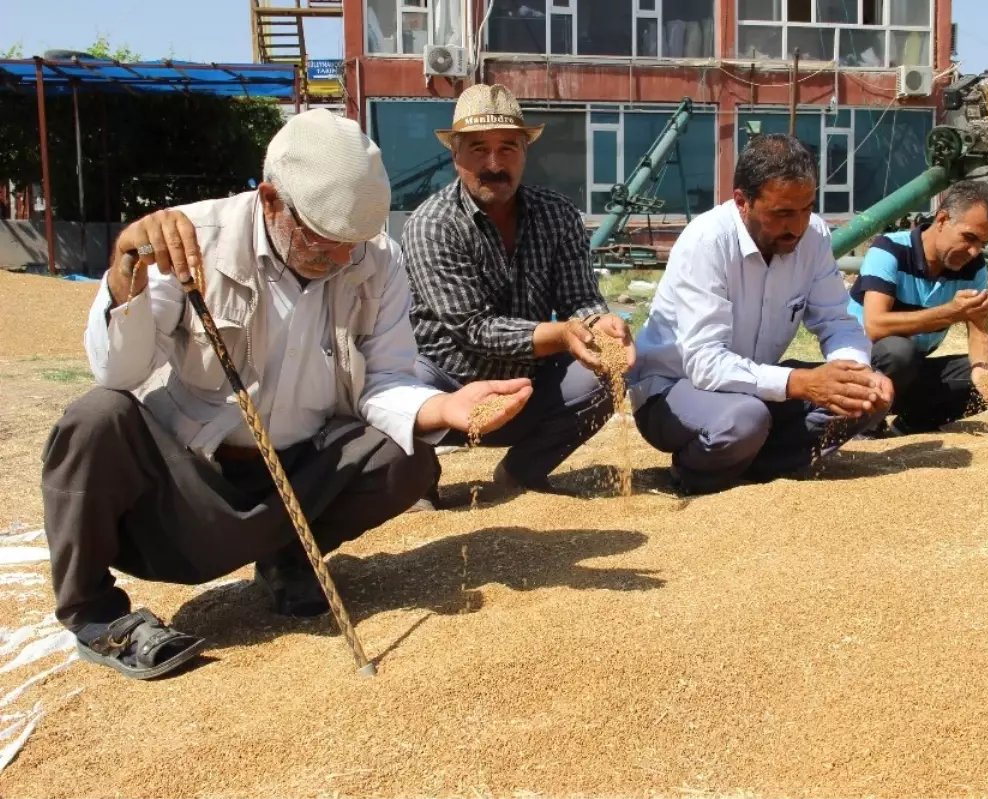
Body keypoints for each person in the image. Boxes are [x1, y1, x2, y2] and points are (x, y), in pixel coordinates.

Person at [40, 109, 532, 680]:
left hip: (300, 483)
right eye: (326, 242)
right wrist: (128, 266)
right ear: (271, 200)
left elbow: (384, 379)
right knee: (95, 417)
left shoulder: (376, 260)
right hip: (188, 493)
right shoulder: (188, 241)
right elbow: (115, 370)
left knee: (407, 456)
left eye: (357, 242)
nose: (345, 260)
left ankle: (289, 560)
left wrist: (444, 407)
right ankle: (96, 616)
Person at [400, 83, 634, 500]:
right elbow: (473, 328)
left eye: (508, 148)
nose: (494, 163)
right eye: (478, 149)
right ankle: (418, 481)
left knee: (604, 373)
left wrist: (601, 324)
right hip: (449, 387)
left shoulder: (557, 213)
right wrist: (563, 334)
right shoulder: (431, 224)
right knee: (399, 381)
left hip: (527, 386)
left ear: (526, 152)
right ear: (455, 155)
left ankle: (521, 471)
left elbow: (579, 297)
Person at [628, 134, 893, 496]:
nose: (797, 226)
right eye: (782, 213)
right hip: (673, 389)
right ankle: (693, 474)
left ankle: (751, 468)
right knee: (743, 420)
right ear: (742, 201)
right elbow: (705, 364)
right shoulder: (707, 242)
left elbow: (837, 320)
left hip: (753, 390)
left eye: (806, 209)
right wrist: (799, 383)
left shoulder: (813, 236)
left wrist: (856, 368)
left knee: (866, 395)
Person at [847, 180, 988, 435]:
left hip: (910, 373)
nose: (974, 251)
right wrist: (950, 312)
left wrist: (981, 366)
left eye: (982, 244)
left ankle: (909, 427)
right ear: (942, 219)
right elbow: (875, 326)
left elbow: (979, 331)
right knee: (899, 352)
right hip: (860, 372)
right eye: (969, 237)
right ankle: (864, 426)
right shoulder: (889, 249)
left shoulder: (973, 267)